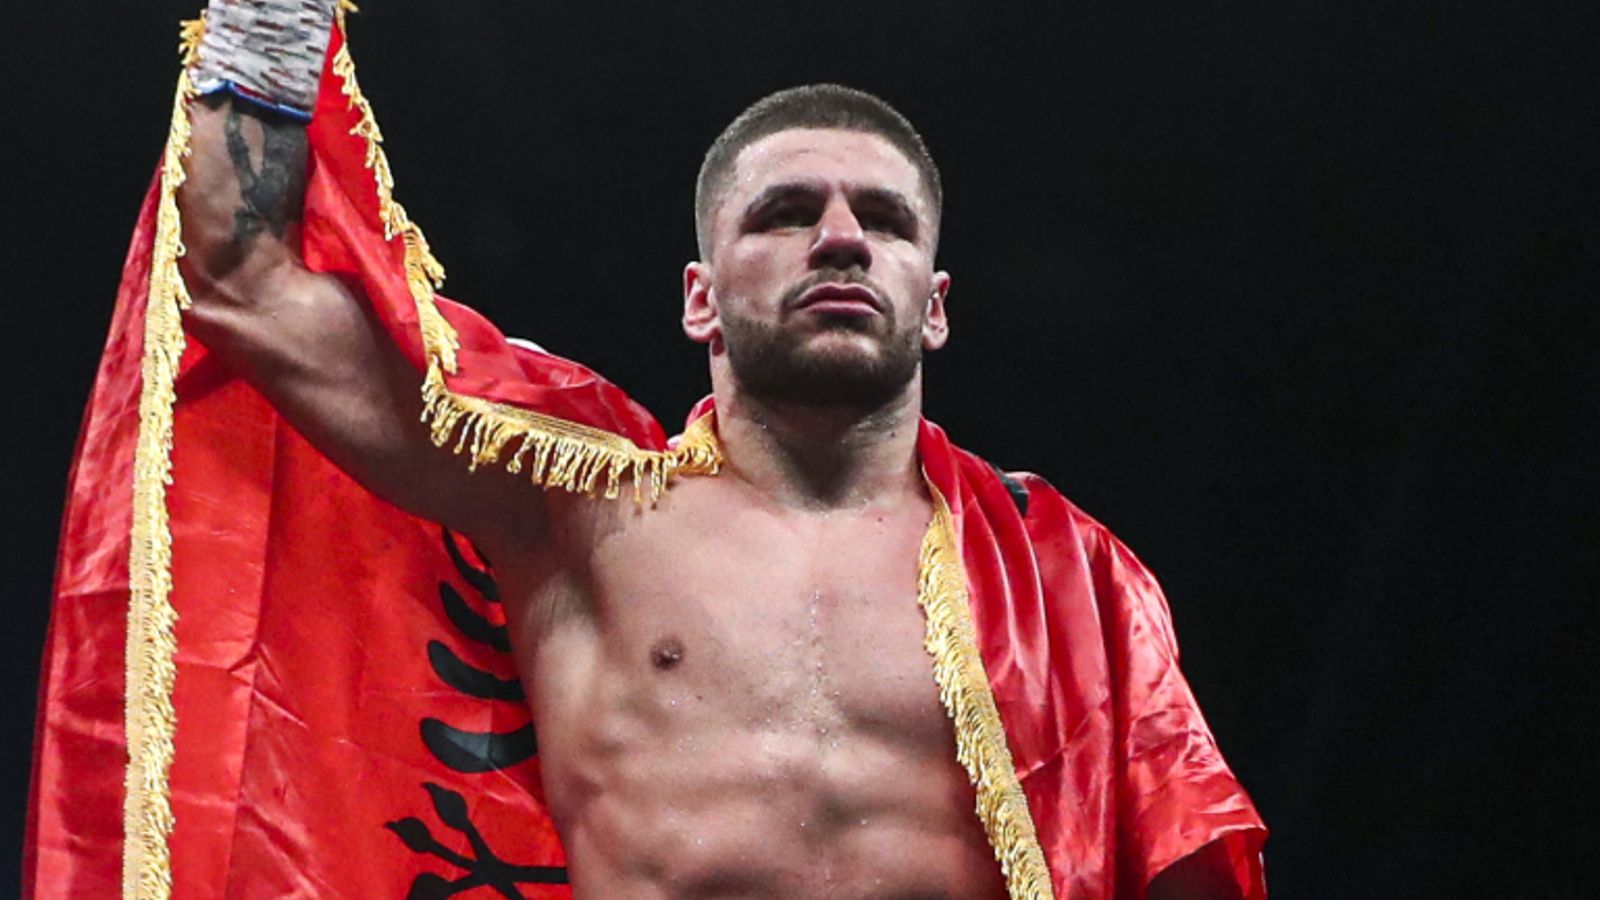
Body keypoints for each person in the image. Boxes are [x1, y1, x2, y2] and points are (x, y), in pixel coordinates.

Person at [29, 2, 1265, 897]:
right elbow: (239, 283)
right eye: (786, 215)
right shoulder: (581, 508)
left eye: (884, 222)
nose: (840, 239)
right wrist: (271, 17)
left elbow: (1182, 860)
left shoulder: (1064, 577)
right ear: (699, 298)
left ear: (933, 304)